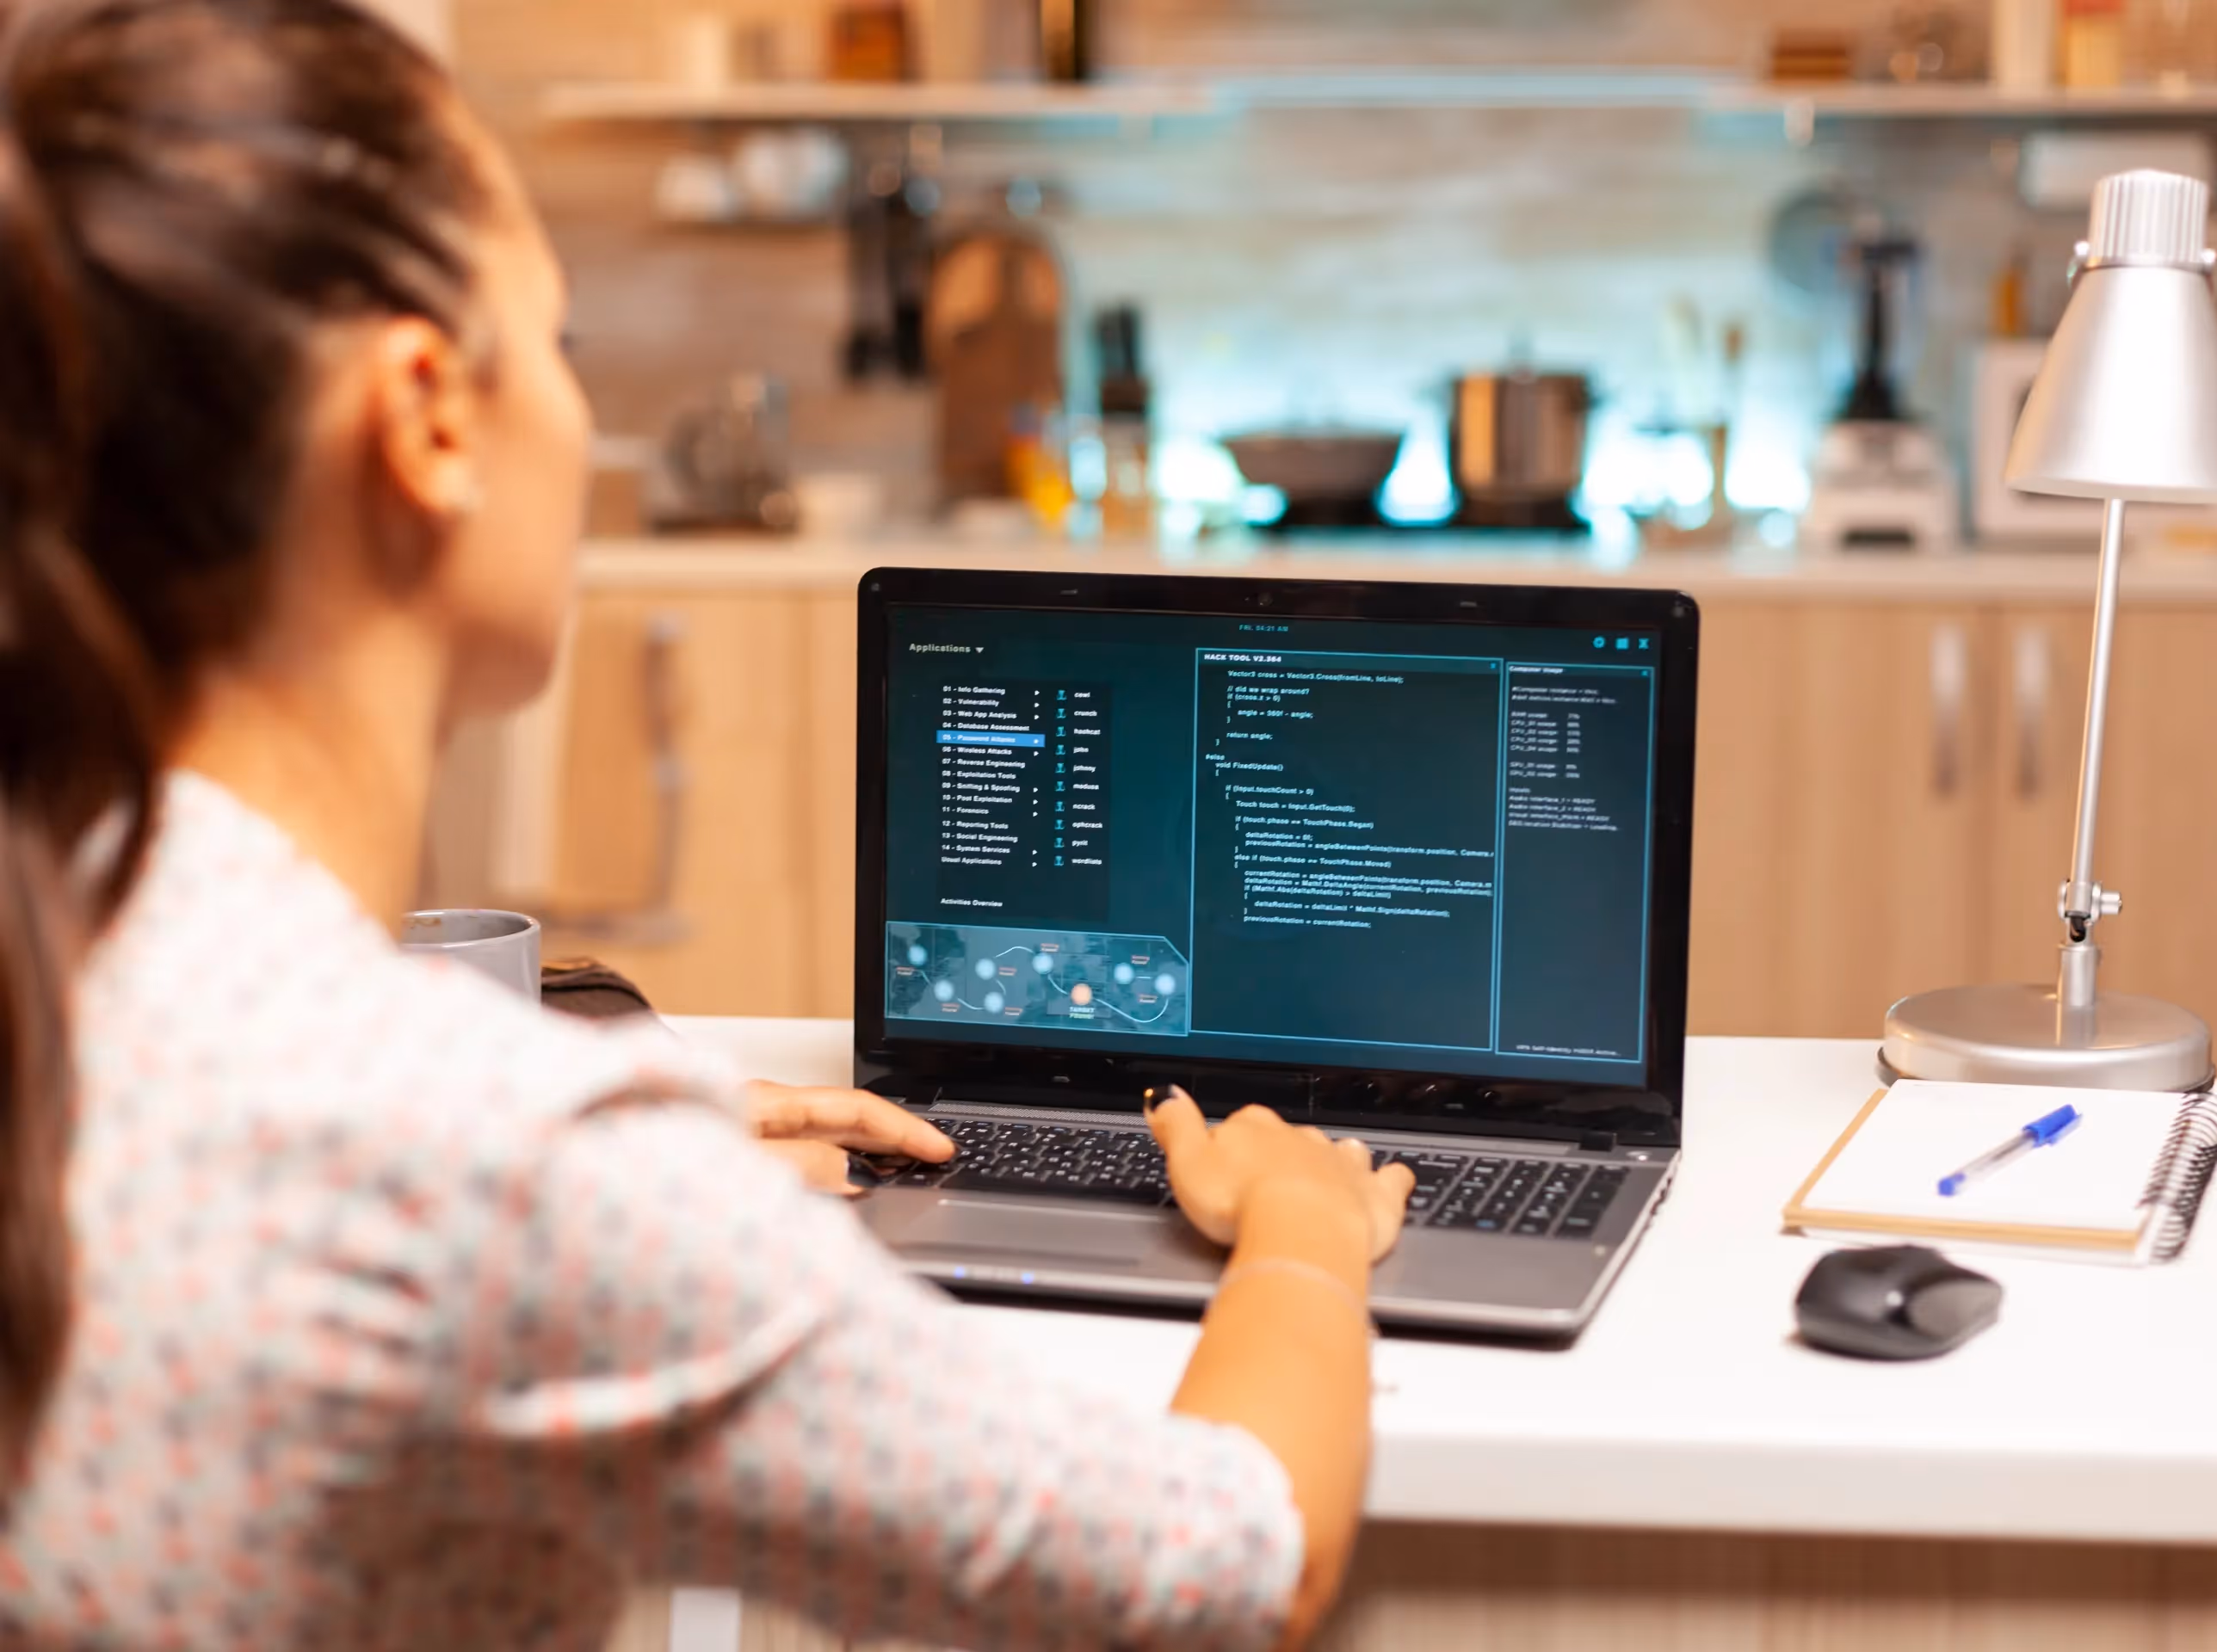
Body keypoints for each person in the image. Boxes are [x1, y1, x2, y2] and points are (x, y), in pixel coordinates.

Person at [0, 2, 1413, 1646]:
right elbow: (1232, 1567)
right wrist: (1306, 1241)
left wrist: (631, 1140)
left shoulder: (109, 989)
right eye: (564, 343)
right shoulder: (507, 1177)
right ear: (427, 422)